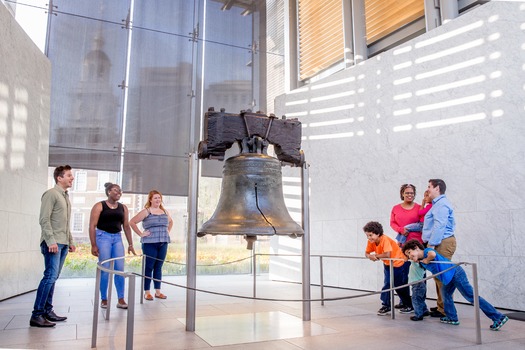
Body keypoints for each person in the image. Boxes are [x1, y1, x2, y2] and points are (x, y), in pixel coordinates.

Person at [402, 239, 509, 330]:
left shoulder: (426, 252)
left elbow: (432, 254)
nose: (409, 256)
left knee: (471, 296)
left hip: (455, 272)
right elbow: (414, 263)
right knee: (446, 296)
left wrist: (427, 260)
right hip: (447, 278)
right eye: (407, 255)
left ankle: (498, 317)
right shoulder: (420, 261)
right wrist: (412, 258)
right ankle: (452, 317)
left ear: (416, 248)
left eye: (409, 252)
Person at [30, 165, 77, 328]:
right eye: (69, 175)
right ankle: (37, 315)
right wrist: (51, 241)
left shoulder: (65, 197)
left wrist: (70, 241)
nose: (72, 178)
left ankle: (47, 311)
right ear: (59, 177)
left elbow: (65, 224)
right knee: (49, 277)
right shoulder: (51, 194)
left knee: (53, 278)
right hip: (53, 243)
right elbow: (44, 219)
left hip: (62, 243)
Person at [89, 182, 136, 309]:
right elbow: (92, 226)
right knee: (105, 268)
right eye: (115, 190)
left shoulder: (123, 207)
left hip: (117, 238)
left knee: (119, 269)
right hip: (103, 237)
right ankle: (104, 299)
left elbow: (126, 226)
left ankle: (121, 299)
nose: (118, 192)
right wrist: (93, 245)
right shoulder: (99, 206)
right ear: (109, 192)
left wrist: (130, 244)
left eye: (120, 191)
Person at [130, 190, 173, 301]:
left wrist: (167, 231)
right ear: (150, 199)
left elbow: (171, 222)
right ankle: (147, 292)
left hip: (163, 242)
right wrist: (141, 234)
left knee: (158, 267)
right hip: (149, 243)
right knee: (149, 267)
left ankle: (158, 292)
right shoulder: (146, 211)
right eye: (155, 198)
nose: (158, 200)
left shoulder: (164, 211)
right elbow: (132, 222)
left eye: (159, 198)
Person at [422, 179, 456, 318]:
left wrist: (431, 245)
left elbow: (439, 226)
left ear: (437, 188)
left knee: (443, 276)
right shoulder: (437, 204)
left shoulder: (441, 205)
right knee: (438, 276)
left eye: (429, 186)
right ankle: (442, 307)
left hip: (442, 243)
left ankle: (446, 310)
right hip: (439, 242)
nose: (428, 189)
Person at [364, 221, 413, 316]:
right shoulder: (371, 241)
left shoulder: (384, 239)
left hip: (399, 263)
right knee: (389, 284)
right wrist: (370, 256)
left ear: (378, 234)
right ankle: (391, 304)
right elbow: (366, 253)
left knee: (399, 285)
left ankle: (405, 304)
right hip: (388, 264)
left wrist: (375, 256)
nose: (369, 238)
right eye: (367, 235)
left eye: (370, 235)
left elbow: (387, 254)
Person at [390, 183, 420, 310]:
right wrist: (401, 229)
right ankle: (405, 300)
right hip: (402, 245)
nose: (410, 195)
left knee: (418, 276)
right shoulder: (396, 208)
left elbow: (422, 224)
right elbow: (392, 223)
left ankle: (418, 304)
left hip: (417, 246)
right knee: (402, 275)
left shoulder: (419, 207)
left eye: (412, 193)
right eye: (407, 192)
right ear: (402, 193)